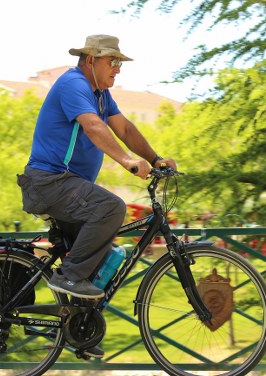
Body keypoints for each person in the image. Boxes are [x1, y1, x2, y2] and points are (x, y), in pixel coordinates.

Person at [17, 34, 176, 301]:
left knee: (99, 262)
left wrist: (155, 159)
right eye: (112, 61)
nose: (117, 68)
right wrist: (127, 161)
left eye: (120, 63)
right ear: (90, 60)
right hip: (49, 182)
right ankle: (68, 277)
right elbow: (93, 126)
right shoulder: (73, 84)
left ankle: (80, 334)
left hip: (69, 187)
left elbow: (124, 128)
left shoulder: (101, 95)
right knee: (111, 208)